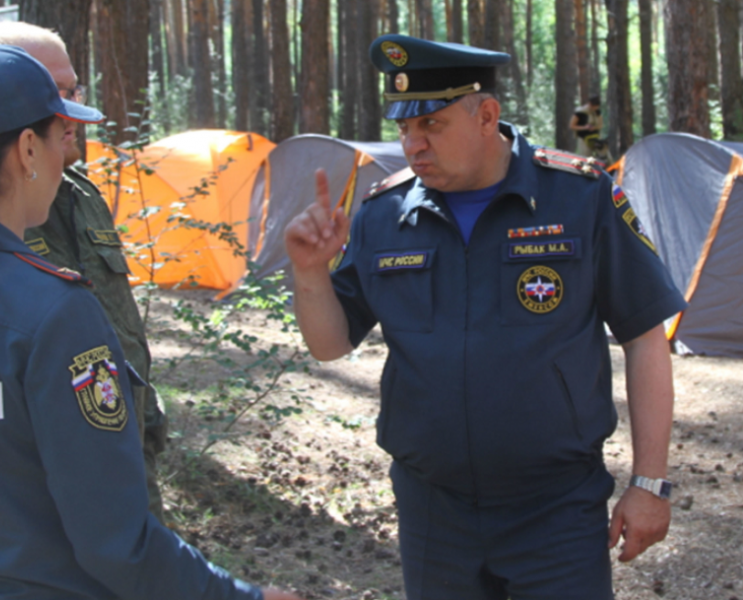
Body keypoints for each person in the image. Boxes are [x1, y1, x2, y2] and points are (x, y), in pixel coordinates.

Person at [0, 45, 302, 600]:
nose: (68, 148)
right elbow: (114, 542)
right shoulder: (51, 310)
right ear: (26, 150)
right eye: (57, 132)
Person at [284, 34, 686, 600]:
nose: (413, 145)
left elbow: (645, 337)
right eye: (404, 129)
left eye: (431, 125)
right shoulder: (384, 214)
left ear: (486, 116)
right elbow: (330, 345)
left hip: (555, 509)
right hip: (433, 511)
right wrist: (309, 273)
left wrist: (649, 483)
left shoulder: (580, 197)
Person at [0, 22, 168, 522]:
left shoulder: (80, 195)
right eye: (54, 92)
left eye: (72, 88)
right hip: (39, 515)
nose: (72, 107)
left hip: (124, 481)